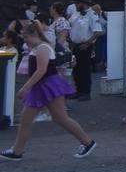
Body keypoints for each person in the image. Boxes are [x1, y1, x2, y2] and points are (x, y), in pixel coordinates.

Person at [1, 22, 97, 161]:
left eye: (26, 37)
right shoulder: (39, 48)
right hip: (44, 86)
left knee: (59, 118)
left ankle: (88, 142)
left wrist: (25, 87)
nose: (25, 40)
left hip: (48, 85)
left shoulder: (43, 48)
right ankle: (17, 150)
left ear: (33, 35)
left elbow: (41, 70)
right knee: (29, 118)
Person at [68, 0, 99, 100]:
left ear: (84, 4)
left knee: (84, 69)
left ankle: (86, 93)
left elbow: (97, 31)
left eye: (78, 3)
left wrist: (88, 43)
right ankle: (79, 90)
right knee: (76, 70)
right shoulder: (76, 13)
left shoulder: (92, 15)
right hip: (74, 45)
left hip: (84, 45)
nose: (76, 5)